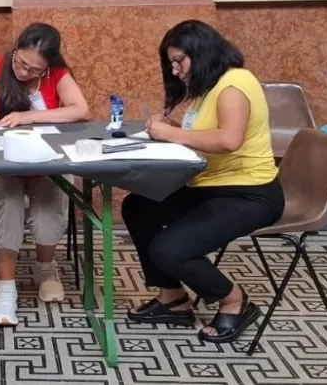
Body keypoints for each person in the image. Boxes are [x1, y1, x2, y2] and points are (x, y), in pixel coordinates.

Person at [121, 19, 284, 344]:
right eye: (171, 63)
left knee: (169, 249)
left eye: (179, 60)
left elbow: (229, 139)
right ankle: (173, 298)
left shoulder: (235, 83)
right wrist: (175, 126)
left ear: (202, 51)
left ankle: (234, 299)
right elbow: (205, 131)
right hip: (210, 185)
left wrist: (171, 132)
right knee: (138, 207)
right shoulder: (209, 88)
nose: (176, 70)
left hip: (249, 193)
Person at [0, 23, 90, 326]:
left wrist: (29, 116)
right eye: (21, 62)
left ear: (48, 66)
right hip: (2, 164)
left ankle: (46, 268)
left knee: (48, 199)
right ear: (15, 49)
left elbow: (80, 109)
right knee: (9, 198)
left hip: (44, 165)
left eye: (34, 70)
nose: (24, 72)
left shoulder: (57, 75)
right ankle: (5, 286)